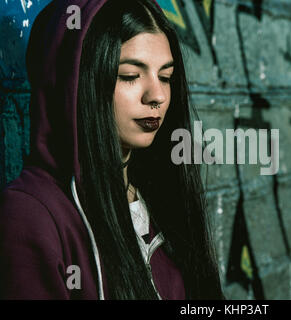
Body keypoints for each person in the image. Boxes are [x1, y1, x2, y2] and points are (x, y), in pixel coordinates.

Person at [0, 0, 224, 300]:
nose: (156, 95)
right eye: (131, 75)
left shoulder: (161, 201)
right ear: (75, 82)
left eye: (166, 77)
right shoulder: (29, 216)